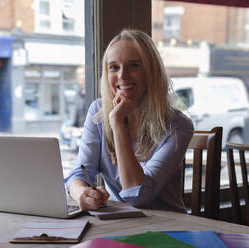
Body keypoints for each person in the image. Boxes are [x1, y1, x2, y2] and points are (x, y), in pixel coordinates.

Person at [64, 29, 194, 213]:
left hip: (167, 226)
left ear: (152, 71)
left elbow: (137, 194)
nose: (122, 76)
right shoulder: (98, 111)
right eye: (114, 67)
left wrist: (116, 122)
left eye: (134, 65)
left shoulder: (179, 126)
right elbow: (79, 173)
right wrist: (82, 194)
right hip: (119, 221)